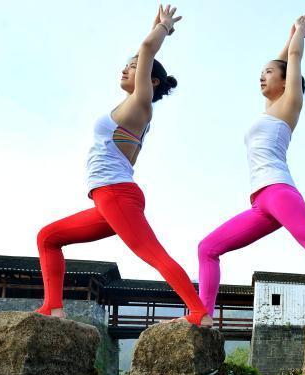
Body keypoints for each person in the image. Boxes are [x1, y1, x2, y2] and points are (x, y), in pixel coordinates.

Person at [36, 5, 211, 326]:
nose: (126, 69)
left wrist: (163, 29)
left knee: (153, 254)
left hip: (116, 194)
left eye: (134, 68)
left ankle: (199, 313)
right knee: (49, 237)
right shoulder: (130, 105)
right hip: (108, 198)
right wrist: (153, 27)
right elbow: (142, 52)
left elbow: (146, 49)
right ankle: (53, 307)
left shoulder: (140, 104)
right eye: (127, 66)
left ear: (152, 82)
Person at [197, 15, 305, 324]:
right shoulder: (269, 109)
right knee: (208, 248)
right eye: (260, 73)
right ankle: (202, 315)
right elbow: (283, 58)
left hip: (280, 192)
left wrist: (299, 35)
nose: (261, 77)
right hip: (260, 203)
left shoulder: (289, 104)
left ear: (285, 80)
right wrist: (288, 36)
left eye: (268, 73)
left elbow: (292, 58)